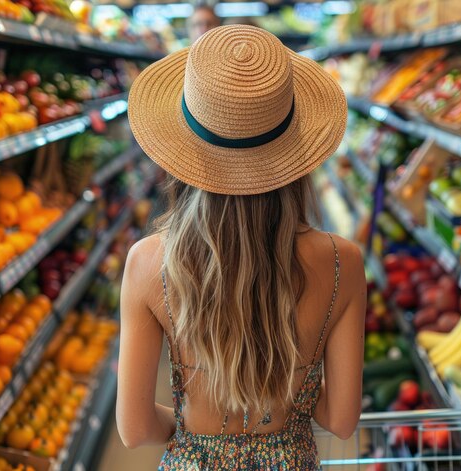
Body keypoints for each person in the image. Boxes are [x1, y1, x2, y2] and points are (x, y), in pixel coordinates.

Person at [118, 25, 366, 470]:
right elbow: (342, 420)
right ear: (297, 155)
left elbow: (134, 429)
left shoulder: (148, 262)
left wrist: (198, 438)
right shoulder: (340, 262)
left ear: (184, 147)